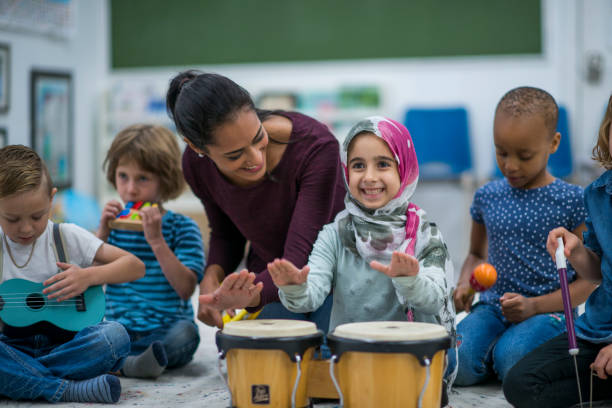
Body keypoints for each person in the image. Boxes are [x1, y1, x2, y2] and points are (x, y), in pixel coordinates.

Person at [267, 116, 457, 391]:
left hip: (413, 360)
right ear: (346, 170)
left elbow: (433, 300)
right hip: (352, 359)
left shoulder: (426, 233)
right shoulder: (335, 233)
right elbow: (310, 297)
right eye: (358, 165)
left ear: (404, 168)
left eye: (383, 164)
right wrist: (294, 287)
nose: (369, 177)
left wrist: (409, 280)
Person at [166, 70, 345, 330]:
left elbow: (301, 257)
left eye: (258, 137)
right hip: (267, 277)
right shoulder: (195, 165)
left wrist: (249, 296)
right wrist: (211, 277)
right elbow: (226, 234)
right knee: (250, 347)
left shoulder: (317, 147)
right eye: (235, 155)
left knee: (325, 345)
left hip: (329, 277)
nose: (255, 158)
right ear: (196, 148)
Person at [452, 86, 596, 386]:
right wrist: (466, 283)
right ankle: (494, 354)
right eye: (501, 152)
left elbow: (588, 279)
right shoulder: (486, 196)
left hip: (549, 310)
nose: (511, 165)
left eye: (525, 155)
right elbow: (476, 254)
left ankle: (503, 355)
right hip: (493, 306)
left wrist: (534, 306)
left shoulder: (572, 200)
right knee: (457, 363)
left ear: (553, 143)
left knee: (513, 359)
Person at [0, 145, 145, 403]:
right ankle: (67, 388)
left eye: (37, 216)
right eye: (12, 219)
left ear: (51, 199)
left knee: (114, 336)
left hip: (68, 346)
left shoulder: (66, 236)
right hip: (13, 348)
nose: (26, 228)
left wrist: (88, 277)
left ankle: (23, 379)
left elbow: (134, 265)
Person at [503, 94, 612, 407]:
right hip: (597, 330)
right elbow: (596, 273)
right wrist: (576, 251)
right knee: (520, 384)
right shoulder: (598, 193)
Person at [97, 124, 205, 379]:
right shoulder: (112, 226)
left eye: (142, 178)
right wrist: (101, 233)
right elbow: (88, 276)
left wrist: (157, 241)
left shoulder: (183, 227)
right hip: (119, 329)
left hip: (165, 330)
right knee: (83, 332)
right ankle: (133, 363)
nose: (130, 189)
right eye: (123, 176)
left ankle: (126, 363)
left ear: (164, 180)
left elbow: (186, 288)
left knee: (186, 336)